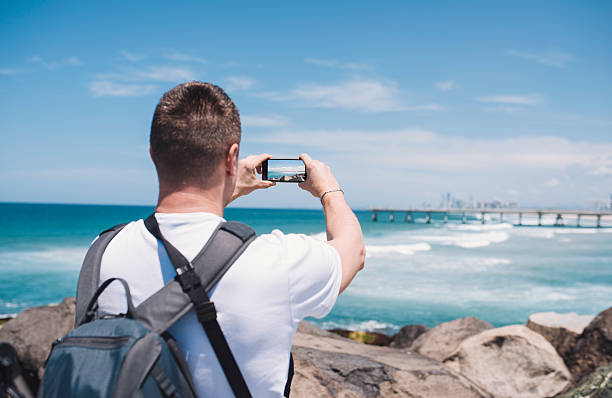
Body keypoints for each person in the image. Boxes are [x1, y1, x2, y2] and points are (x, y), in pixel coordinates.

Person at [96, 81, 365, 397]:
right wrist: (328, 190)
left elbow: (180, 223)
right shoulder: (276, 262)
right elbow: (353, 252)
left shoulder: (103, 252)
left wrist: (229, 185)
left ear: (153, 155)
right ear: (231, 157)